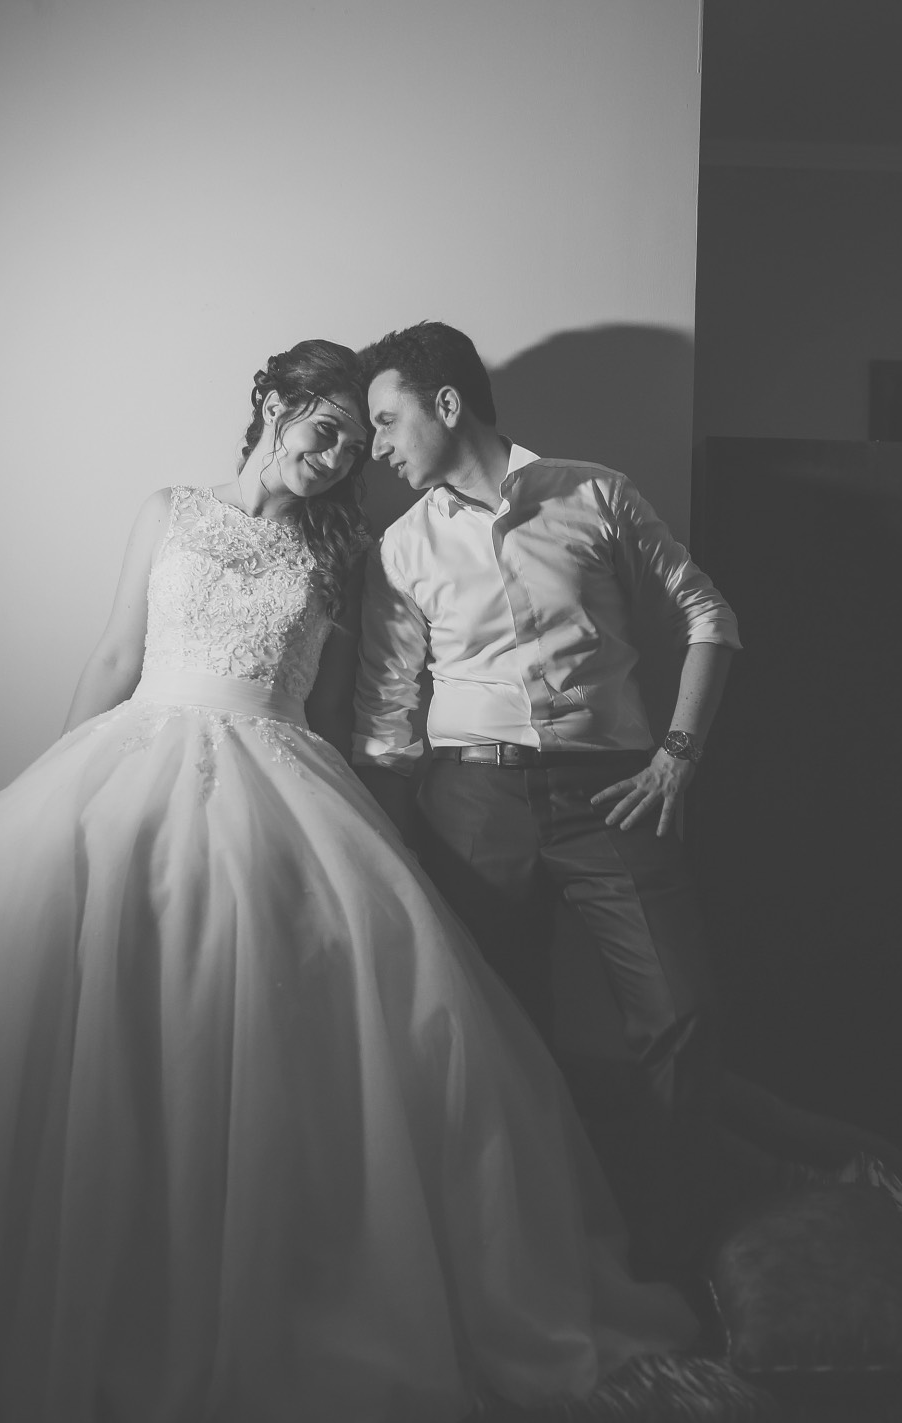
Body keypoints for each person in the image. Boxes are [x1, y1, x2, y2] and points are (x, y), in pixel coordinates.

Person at [0, 339, 696, 1423]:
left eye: (353, 442)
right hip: (137, 758)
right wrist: (47, 787)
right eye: (324, 430)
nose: (338, 458)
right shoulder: (168, 510)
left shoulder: (346, 551)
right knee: (71, 1025)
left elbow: (341, 707)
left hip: (282, 783)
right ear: (271, 405)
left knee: (277, 1041)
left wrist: (388, 832)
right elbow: (116, 652)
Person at [350, 321, 742, 1281]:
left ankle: (673, 1263)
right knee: (499, 1036)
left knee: (681, 1010)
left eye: (387, 420)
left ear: (448, 404)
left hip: (616, 793)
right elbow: (386, 718)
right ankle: (524, 1264)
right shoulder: (402, 547)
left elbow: (709, 614)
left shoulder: (594, 493)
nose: (376, 447)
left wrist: (678, 756)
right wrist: (388, 852)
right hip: (471, 804)